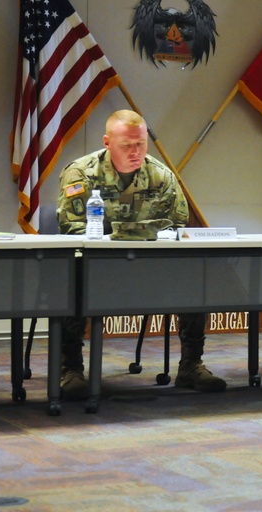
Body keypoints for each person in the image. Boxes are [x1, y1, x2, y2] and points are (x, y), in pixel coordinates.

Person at [56, 109, 226, 400]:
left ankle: (190, 365)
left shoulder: (161, 176)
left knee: (195, 278)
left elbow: (178, 227)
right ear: (107, 142)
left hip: (150, 269)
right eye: (127, 146)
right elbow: (72, 229)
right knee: (72, 277)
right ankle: (70, 369)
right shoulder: (81, 174)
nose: (135, 152)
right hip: (97, 267)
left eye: (141, 144)